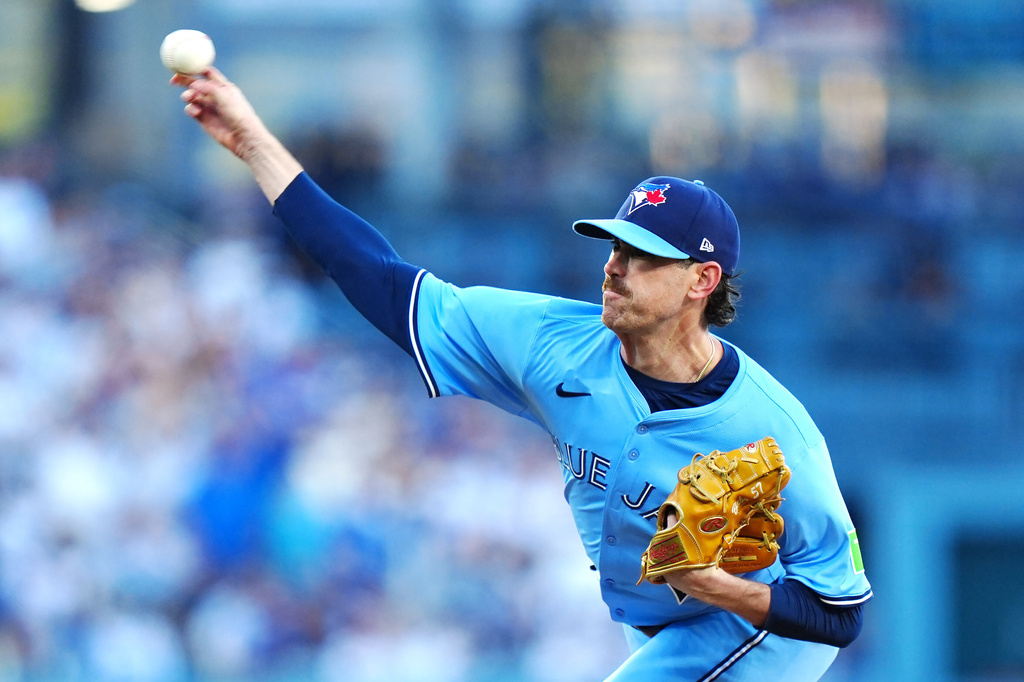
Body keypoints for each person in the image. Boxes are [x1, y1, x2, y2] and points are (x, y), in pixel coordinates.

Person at [172, 67, 872, 681]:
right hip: (656, 624)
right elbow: (385, 283)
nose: (615, 268)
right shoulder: (554, 344)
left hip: (756, 633)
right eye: (615, 246)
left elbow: (839, 612)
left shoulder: (774, 432)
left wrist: (723, 588)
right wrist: (254, 146)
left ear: (702, 280)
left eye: (645, 257)